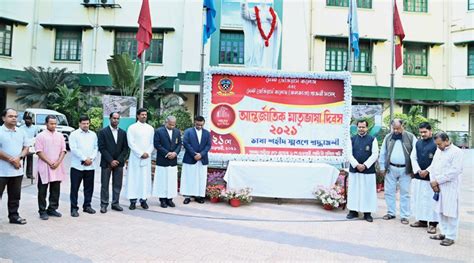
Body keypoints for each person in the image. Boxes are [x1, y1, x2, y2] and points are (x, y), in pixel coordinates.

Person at [379, 119, 417, 224]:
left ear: (403, 126)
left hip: (406, 170)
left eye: (398, 128)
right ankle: (391, 212)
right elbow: (383, 153)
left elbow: (415, 154)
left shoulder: (411, 137)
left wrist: (414, 169)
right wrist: (382, 167)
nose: (396, 131)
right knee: (389, 192)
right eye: (394, 128)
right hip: (391, 169)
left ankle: (404, 216)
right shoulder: (388, 137)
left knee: (405, 193)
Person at [428, 132, 463, 246]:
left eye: (440, 144)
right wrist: (433, 181)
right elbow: (432, 167)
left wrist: (437, 181)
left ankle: (451, 236)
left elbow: (455, 171)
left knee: (450, 212)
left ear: (447, 140)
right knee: (440, 211)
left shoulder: (457, 152)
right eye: (437, 144)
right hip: (438, 186)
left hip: (450, 187)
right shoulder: (439, 151)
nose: (438, 147)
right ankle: (443, 232)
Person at [35, 115, 67, 220]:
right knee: (42, 190)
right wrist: (49, 162)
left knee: (55, 190)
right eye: (51, 123)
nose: (53, 125)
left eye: (55, 123)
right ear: (46, 124)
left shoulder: (60, 136)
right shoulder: (40, 136)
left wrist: (58, 162)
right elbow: (39, 151)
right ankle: (42, 211)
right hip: (44, 167)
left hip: (57, 167)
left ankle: (52, 209)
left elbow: (63, 150)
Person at [346, 120, 379, 222]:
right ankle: (353, 211)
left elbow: (375, 154)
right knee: (354, 191)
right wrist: (356, 165)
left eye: (363, 127)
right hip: (355, 170)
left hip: (367, 170)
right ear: (357, 128)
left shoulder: (372, 139)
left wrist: (365, 165)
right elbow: (349, 154)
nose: (361, 129)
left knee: (367, 192)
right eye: (359, 127)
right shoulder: (352, 139)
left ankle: (367, 213)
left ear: (367, 128)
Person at [0, 108, 29, 224]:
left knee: (15, 196)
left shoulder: (21, 132)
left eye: (15, 116)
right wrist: (12, 160)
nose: (14, 118)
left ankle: (14, 216)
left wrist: (19, 158)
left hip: (17, 171)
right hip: (1, 171)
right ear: (3, 118)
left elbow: (26, 147)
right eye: (10, 116)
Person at [410, 122, 439, 234]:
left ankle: (433, 224)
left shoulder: (436, 143)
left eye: (425, 132)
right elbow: (413, 158)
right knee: (420, 200)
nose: (423, 134)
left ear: (430, 131)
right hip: (419, 176)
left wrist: (427, 170)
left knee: (431, 202)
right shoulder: (418, 143)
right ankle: (422, 221)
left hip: (431, 178)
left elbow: (438, 160)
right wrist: (418, 170)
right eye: (421, 132)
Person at [98, 112, 129, 213]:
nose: (116, 120)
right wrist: (111, 160)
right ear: (110, 119)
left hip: (119, 163)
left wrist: (118, 160)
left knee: (117, 184)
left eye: (117, 118)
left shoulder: (123, 133)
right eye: (114, 118)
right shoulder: (103, 132)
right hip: (107, 163)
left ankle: (115, 203)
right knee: (105, 184)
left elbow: (125, 149)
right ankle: (104, 204)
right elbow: (102, 148)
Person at [69, 115, 98, 217]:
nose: (86, 125)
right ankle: (73, 208)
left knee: (89, 187)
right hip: (77, 166)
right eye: (83, 123)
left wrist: (91, 158)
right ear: (79, 124)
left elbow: (96, 148)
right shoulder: (74, 134)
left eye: (87, 123)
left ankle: (87, 206)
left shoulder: (93, 135)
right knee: (75, 188)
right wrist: (84, 158)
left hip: (90, 166)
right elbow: (74, 148)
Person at [125, 108, 154, 210]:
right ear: (138, 116)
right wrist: (140, 153)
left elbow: (152, 143)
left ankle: (143, 200)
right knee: (134, 178)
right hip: (135, 158)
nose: (144, 116)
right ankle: (133, 201)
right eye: (142, 114)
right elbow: (131, 143)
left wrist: (147, 153)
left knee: (145, 179)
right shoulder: (132, 128)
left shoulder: (150, 128)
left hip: (147, 157)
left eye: (145, 114)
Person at [241, 0, 281, 69]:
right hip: (258, 31)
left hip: (269, 34)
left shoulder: (272, 12)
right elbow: (246, 15)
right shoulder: (255, 9)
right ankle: (256, 65)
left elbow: (277, 25)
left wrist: (271, 19)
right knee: (257, 44)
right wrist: (244, 6)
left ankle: (265, 67)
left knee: (267, 50)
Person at [181, 116, 212, 205]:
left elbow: (208, 145)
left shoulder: (207, 133)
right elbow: (186, 143)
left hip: (202, 159)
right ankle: (187, 196)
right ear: (194, 122)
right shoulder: (188, 132)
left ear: (203, 123)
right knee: (189, 178)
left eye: (201, 125)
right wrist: (194, 154)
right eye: (198, 124)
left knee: (201, 178)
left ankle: (199, 196)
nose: (199, 126)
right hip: (190, 158)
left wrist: (201, 154)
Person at [153, 116, 182, 208]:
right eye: (170, 124)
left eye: (173, 125)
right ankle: (162, 200)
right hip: (162, 160)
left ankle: (170, 199)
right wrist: (167, 153)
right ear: (166, 122)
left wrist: (175, 153)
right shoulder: (159, 131)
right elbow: (157, 144)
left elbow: (179, 144)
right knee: (162, 181)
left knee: (171, 181)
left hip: (173, 160)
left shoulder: (177, 132)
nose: (172, 126)